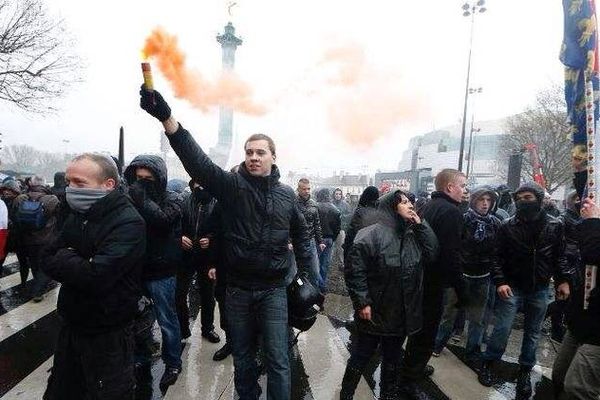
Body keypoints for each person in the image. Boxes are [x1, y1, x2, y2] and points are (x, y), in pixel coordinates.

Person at [139, 87, 313, 400]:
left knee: (278, 360)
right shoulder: (232, 187)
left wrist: (308, 280)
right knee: (244, 360)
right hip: (238, 291)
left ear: (273, 157)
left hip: (274, 290)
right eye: (249, 152)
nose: (254, 157)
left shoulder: (287, 196)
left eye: (261, 152)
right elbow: (198, 163)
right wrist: (167, 119)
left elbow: (302, 235)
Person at [41, 153, 146, 400]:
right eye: (68, 182)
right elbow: (46, 256)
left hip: (107, 333)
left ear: (107, 185)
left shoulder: (128, 222)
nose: (70, 189)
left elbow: (96, 276)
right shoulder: (78, 214)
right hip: (72, 325)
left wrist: (67, 258)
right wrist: (79, 261)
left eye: (79, 183)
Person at [341, 190, 438, 400]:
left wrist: (421, 225)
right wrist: (362, 302)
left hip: (401, 314)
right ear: (391, 207)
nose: (410, 205)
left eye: (410, 202)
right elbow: (355, 270)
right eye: (403, 202)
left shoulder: (414, 234)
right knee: (361, 356)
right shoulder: (371, 234)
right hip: (375, 312)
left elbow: (432, 253)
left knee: (392, 360)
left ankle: (388, 394)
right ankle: (346, 394)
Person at [478, 182, 571, 399]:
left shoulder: (555, 225)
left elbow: (559, 257)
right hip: (512, 287)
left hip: (539, 289)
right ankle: (489, 363)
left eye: (528, 197)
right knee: (502, 329)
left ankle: (525, 372)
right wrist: (500, 281)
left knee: (533, 334)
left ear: (538, 199)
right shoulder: (506, 226)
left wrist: (563, 281)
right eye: (519, 198)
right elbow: (496, 257)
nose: (522, 201)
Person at [400, 169, 468, 400]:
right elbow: (451, 255)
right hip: (434, 282)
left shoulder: (427, 205)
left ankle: (413, 367)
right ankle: (410, 379)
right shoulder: (451, 212)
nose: (465, 191)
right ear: (449, 187)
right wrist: (461, 290)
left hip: (419, 278)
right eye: (462, 185)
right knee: (427, 332)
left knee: (419, 330)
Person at [124, 155, 184, 389]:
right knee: (136, 318)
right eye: (138, 178)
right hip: (135, 269)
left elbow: (162, 220)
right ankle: (140, 357)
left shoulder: (174, 199)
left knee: (167, 320)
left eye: (148, 179)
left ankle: (173, 362)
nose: (142, 183)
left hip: (162, 271)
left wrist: (141, 199)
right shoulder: (130, 197)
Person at [433, 186, 500, 363]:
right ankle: (438, 344)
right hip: (461, 276)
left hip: (483, 277)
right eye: (481, 200)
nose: (485, 204)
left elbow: (497, 250)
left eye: (488, 200)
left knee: (478, 319)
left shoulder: (494, 223)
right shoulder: (463, 219)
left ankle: (472, 352)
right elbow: (454, 247)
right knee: (449, 315)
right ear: (473, 201)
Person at [551, 196, 600, 400]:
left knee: (578, 388)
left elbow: (594, 254)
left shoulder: (594, 225)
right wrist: (582, 172)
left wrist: (592, 222)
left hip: (598, 330)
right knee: (560, 375)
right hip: (582, 319)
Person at [176, 178, 220, 343]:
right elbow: (174, 224)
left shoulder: (217, 203)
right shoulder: (184, 201)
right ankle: (183, 329)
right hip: (185, 255)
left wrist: (211, 239)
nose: (200, 188)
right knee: (179, 294)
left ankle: (207, 328)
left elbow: (223, 228)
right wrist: (180, 237)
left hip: (207, 257)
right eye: (197, 185)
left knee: (208, 295)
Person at [14, 175, 60, 302]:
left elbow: (15, 217)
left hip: (27, 239)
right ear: (44, 185)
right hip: (46, 238)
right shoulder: (51, 199)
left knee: (34, 264)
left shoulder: (20, 198)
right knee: (47, 264)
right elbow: (59, 217)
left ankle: (38, 284)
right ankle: (37, 291)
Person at [342, 186, 380, 269]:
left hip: (360, 249)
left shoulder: (360, 212)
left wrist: (346, 252)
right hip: (375, 251)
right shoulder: (381, 211)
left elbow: (352, 233)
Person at [297, 178, 324, 287]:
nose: (307, 191)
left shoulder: (313, 204)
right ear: (298, 189)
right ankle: (297, 298)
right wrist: (289, 241)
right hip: (297, 242)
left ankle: (313, 298)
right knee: (297, 272)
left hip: (311, 241)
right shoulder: (292, 203)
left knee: (315, 272)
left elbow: (317, 224)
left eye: (308, 189)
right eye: (304, 189)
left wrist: (320, 241)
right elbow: (287, 223)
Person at [315, 188, 341, 293]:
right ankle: (322, 285)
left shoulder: (314, 207)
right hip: (329, 239)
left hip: (317, 239)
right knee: (324, 264)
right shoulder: (335, 209)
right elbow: (337, 228)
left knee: (315, 263)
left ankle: (319, 285)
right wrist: (333, 238)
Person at [332, 187, 352, 268]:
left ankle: (342, 263)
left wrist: (342, 216)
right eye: (336, 194)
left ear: (341, 195)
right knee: (331, 247)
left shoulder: (345, 205)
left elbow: (350, 215)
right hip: (331, 229)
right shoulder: (331, 203)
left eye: (339, 194)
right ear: (334, 195)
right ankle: (330, 263)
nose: (338, 195)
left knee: (341, 247)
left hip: (341, 228)